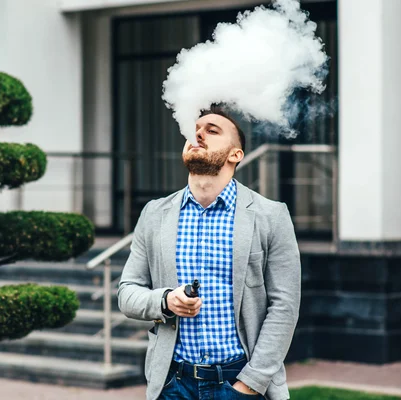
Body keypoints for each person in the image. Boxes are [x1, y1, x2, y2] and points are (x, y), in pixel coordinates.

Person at [117, 105, 301, 400]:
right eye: (195, 129)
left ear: (235, 154)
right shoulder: (154, 214)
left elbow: (284, 307)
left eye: (212, 131)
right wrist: (165, 300)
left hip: (239, 382)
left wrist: (249, 385)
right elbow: (127, 294)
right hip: (172, 385)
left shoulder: (271, 215)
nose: (198, 134)